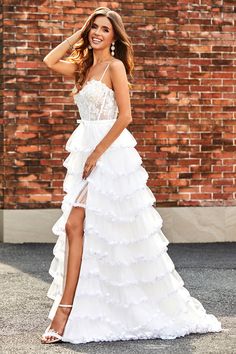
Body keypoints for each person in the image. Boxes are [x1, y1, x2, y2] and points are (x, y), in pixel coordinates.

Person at [41, 6, 222, 345]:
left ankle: (69, 311)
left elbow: (125, 117)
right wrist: (78, 35)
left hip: (109, 154)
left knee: (93, 228)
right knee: (77, 227)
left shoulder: (115, 66)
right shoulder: (84, 67)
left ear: (114, 37)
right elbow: (50, 61)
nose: (97, 33)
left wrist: (97, 154)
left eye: (104, 29)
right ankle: (68, 307)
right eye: (94, 27)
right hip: (85, 151)